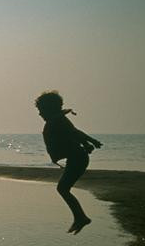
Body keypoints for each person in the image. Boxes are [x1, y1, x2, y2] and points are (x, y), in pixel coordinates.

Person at [35, 90, 103, 234]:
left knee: (62, 189)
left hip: (78, 158)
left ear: (50, 109)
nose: (39, 114)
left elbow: (75, 132)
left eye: (41, 110)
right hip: (76, 158)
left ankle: (81, 218)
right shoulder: (57, 121)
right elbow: (72, 133)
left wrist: (91, 141)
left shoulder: (58, 120)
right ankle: (80, 217)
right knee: (63, 189)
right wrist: (87, 143)